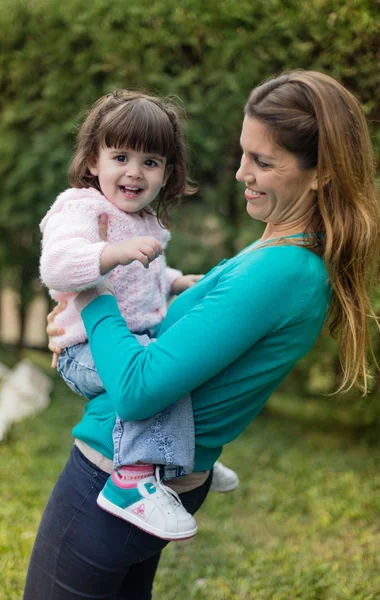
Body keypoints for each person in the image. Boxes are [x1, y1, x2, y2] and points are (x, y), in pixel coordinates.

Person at [24, 70, 380, 599]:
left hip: (110, 480)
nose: (242, 173)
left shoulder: (282, 271)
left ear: (320, 173)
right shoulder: (275, 255)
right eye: (244, 154)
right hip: (158, 478)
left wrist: (91, 296)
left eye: (262, 162)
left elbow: (138, 388)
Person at [39, 89, 238, 541]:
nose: (134, 171)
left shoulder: (146, 219)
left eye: (150, 161)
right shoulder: (81, 206)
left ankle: (181, 457)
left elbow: (148, 277)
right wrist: (111, 252)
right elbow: (57, 264)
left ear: (167, 173)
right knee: (153, 379)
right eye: (121, 156)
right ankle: (131, 482)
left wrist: (176, 282)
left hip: (133, 337)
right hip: (84, 348)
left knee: (174, 369)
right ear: (93, 161)